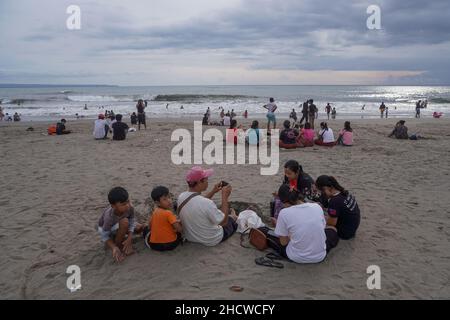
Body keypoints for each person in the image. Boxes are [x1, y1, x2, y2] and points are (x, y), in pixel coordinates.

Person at [267, 184, 338, 263]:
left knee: (273, 238)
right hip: (320, 256)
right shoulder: (316, 207)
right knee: (333, 229)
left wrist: (279, 226)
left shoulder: (284, 213)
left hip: (296, 257)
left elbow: (283, 242)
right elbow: (322, 228)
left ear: (284, 202)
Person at [177, 166, 237, 246]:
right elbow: (224, 222)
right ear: (200, 182)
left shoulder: (181, 197)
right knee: (231, 219)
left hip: (190, 237)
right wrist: (225, 197)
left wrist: (213, 191)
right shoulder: (207, 203)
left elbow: (197, 203)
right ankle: (234, 217)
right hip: (211, 239)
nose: (207, 182)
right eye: (206, 179)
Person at [97, 187, 143, 262]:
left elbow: (132, 220)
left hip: (119, 224)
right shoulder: (109, 217)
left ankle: (122, 238)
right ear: (113, 206)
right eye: (123, 204)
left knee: (139, 228)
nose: (127, 205)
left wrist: (129, 237)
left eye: (128, 201)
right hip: (107, 229)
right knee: (124, 222)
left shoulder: (130, 207)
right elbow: (104, 235)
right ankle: (119, 245)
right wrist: (113, 247)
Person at [315, 176, 361, 240]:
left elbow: (331, 223)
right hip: (352, 227)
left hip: (344, 233)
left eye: (322, 191)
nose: (322, 194)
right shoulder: (343, 192)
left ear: (328, 188)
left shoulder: (334, 201)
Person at [143, 186, 183, 251]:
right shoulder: (168, 213)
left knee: (145, 230)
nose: (169, 200)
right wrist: (180, 226)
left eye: (169, 197)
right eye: (165, 199)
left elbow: (150, 227)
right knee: (178, 233)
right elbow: (179, 229)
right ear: (157, 203)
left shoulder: (155, 212)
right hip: (171, 244)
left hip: (155, 246)